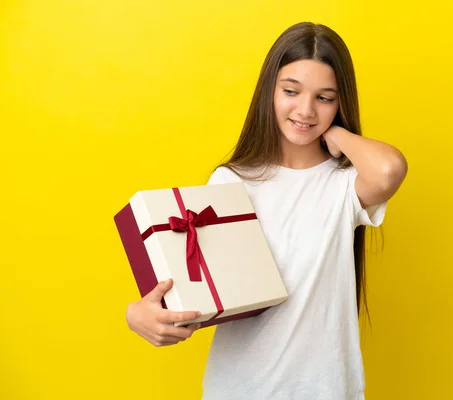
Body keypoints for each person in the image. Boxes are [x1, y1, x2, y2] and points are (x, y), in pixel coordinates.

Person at [125, 22, 408, 399]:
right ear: (269, 91)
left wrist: (336, 134)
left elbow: (389, 169)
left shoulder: (344, 185)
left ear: (341, 102)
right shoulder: (230, 182)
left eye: (325, 98)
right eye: (291, 91)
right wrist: (138, 314)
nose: (305, 110)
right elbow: (193, 284)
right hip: (240, 388)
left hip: (325, 389)